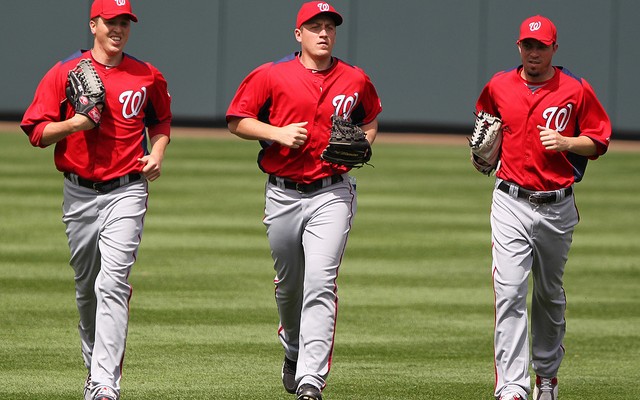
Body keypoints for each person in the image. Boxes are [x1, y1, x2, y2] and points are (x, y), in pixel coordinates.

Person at [226, 2, 382, 399]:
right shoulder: (271, 75)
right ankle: (293, 349)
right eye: (315, 26)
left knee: (320, 282)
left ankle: (311, 380)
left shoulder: (354, 78)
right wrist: (276, 133)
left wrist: (363, 145)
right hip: (281, 193)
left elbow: (370, 119)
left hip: (332, 192)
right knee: (289, 287)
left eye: (329, 26)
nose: (324, 33)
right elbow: (236, 120)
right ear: (299, 34)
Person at [20, 1, 172, 399]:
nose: (118, 28)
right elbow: (36, 132)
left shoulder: (146, 74)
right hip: (79, 192)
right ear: (94, 24)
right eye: (111, 21)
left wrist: (156, 154)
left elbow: (160, 120)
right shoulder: (64, 71)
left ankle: (105, 383)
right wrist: (76, 122)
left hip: (127, 188)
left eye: (125, 22)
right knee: (87, 286)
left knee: (113, 282)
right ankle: (93, 362)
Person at [473, 15, 611, 400]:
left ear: (554, 48)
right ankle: (512, 387)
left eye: (541, 46)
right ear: (519, 47)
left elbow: (599, 141)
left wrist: (568, 143)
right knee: (510, 290)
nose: (534, 53)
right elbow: (485, 127)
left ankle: (546, 376)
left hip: (557, 205)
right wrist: (482, 157)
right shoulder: (499, 85)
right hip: (510, 201)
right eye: (527, 46)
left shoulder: (576, 89)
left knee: (548, 293)